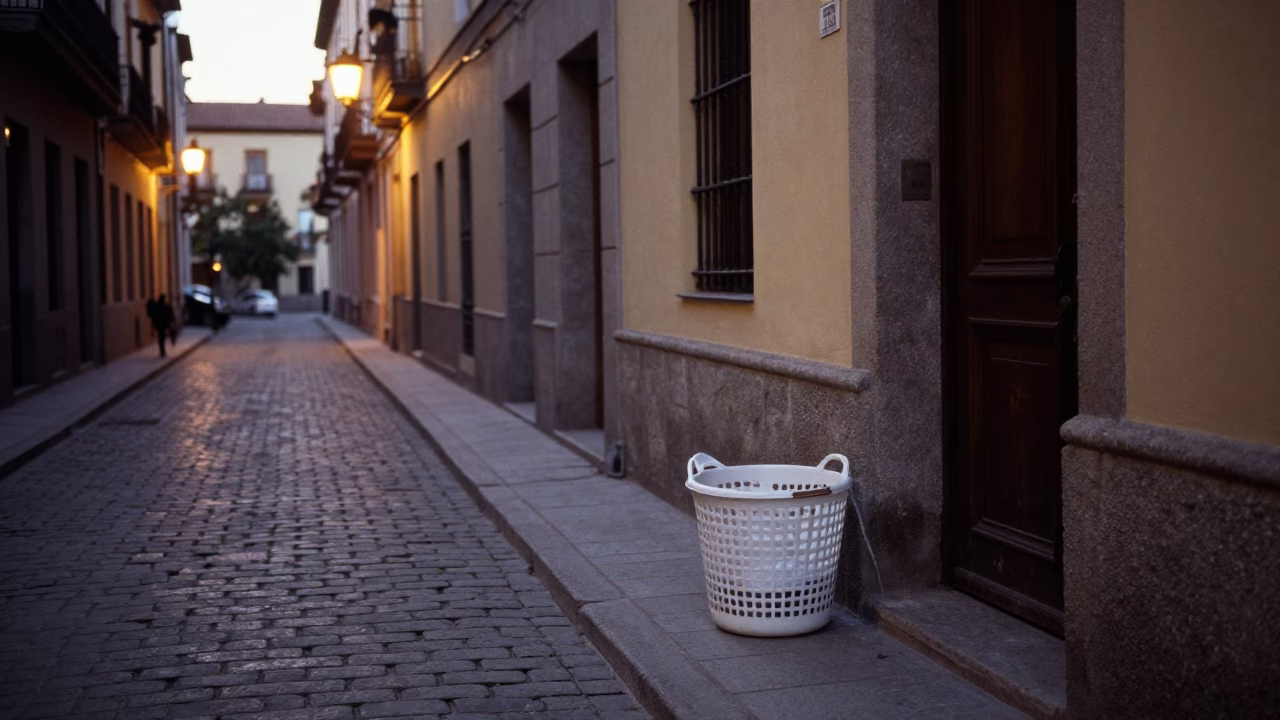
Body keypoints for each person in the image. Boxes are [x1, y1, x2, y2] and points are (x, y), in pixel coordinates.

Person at [146, 294, 176, 358]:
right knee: (162, 337)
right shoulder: (164, 306)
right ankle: (163, 350)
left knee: (161, 337)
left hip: (160, 324)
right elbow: (170, 315)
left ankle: (162, 351)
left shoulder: (158, 306)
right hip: (163, 324)